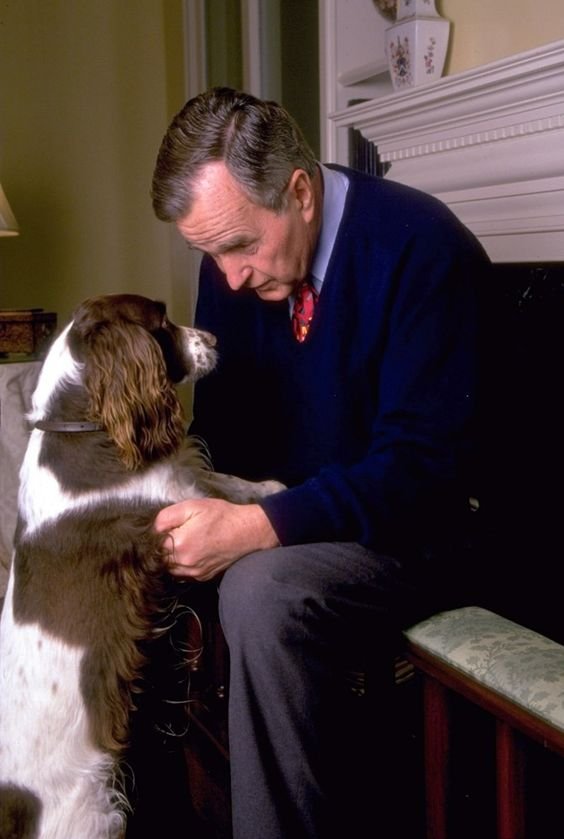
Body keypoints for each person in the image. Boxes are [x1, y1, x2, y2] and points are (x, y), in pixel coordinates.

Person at [151, 86, 490, 838]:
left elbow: (419, 469)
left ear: (299, 192)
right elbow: (226, 432)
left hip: (417, 530)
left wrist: (256, 526)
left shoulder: (420, 246)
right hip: (302, 514)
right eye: (209, 254)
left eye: (239, 246)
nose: (228, 277)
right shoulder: (230, 268)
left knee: (261, 591)